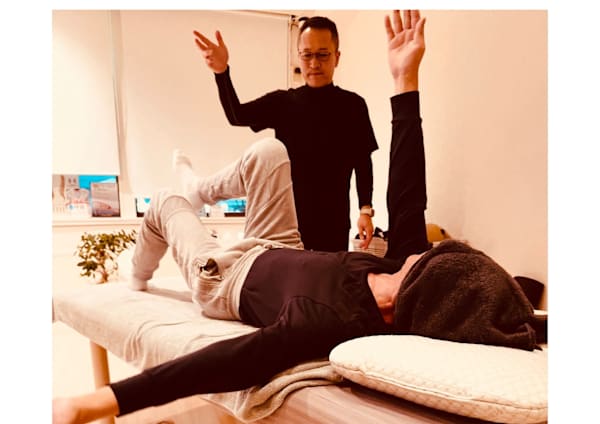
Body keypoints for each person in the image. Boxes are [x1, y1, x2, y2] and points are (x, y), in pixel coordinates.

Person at [53, 11, 541, 424]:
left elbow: (231, 360)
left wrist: (100, 401)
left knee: (164, 203)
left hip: (225, 278)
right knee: (269, 151)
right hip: (281, 242)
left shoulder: (329, 320)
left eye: (427, 259)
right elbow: (409, 184)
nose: (418, 252)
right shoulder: (398, 269)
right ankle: (200, 187)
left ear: (418, 288)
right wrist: (405, 79)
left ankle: (135, 276)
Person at [193, 15, 378, 252]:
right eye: (307, 55)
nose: (314, 63)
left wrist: (365, 210)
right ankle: (202, 189)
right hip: (284, 225)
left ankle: (201, 189)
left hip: (333, 224)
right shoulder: (283, 103)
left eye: (323, 54)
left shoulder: (353, 106)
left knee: (327, 275)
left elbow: (363, 161)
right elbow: (237, 115)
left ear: (337, 57)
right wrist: (222, 73)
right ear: (299, 56)